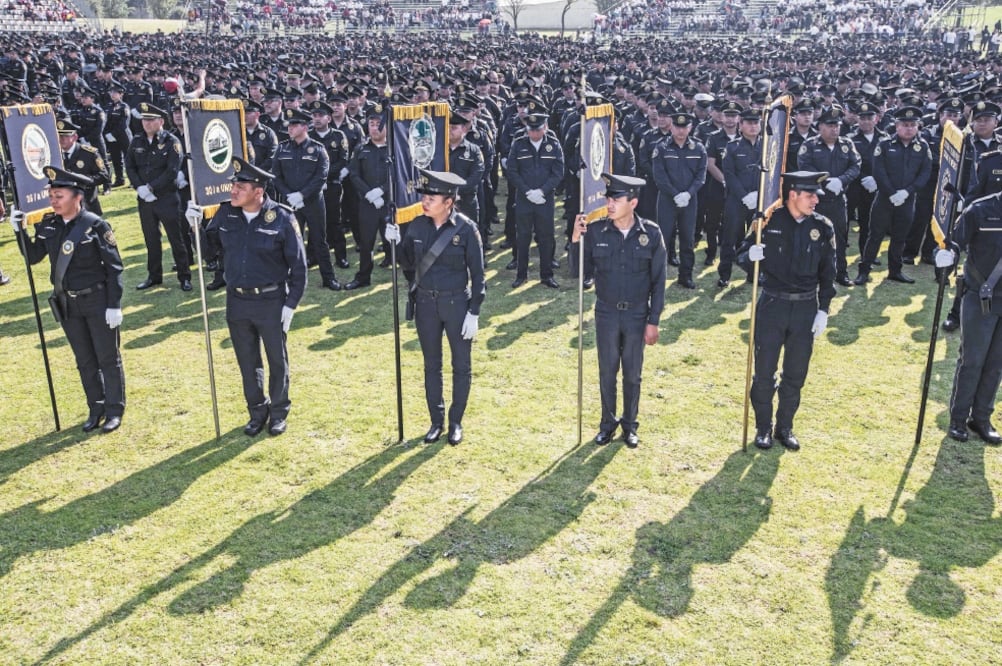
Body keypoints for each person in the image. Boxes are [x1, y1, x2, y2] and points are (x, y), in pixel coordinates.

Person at [186, 157, 307, 437]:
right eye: (234, 185)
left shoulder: (282, 217)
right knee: (247, 360)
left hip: (271, 300)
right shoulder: (226, 214)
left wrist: (290, 305)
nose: (233, 190)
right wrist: (195, 229)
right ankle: (257, 412)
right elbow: (209, 253)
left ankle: (278, 412)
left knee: (277, 360)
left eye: (241, 187)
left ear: (258, 191)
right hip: (237, 300)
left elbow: (299, 267)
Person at [11, 167, 125, 433]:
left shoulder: (96, 225)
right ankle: (95, 408)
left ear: (78, 197)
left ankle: (114, 410)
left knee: (107, 358)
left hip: (97, 300)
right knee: (84, 359)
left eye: (59, 195)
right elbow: (33, 256)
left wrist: (114, 305)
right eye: (51, 195)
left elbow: (114, 268)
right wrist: (20, 231)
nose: (53, 201)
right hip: (69, 304)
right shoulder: (48, 224)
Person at [739, 171, 836, 451]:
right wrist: (750, 258)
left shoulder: (823, 226)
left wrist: (824, 309)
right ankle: (763, 428)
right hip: (773, 305)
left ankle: (785, 427)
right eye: (810, 195)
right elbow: (741, 254)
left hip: (805, 307)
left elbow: (829, 272)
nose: (816, 201)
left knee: (795, 373)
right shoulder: (767, 220)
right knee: (764, 372)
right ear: (792, 195)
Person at [571, 173, 667, 448]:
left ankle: (630, 425)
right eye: (608, 199)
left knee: (632, 374)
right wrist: (576, 240)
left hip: (637, 315)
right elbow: (579, 271)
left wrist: (653, 320)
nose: (609, 204)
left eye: (616, 200)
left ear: (633, 203)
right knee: (607, 371)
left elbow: (659, 281)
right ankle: (607, 423)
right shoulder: (596, 231)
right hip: (607, 313)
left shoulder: (651, 234)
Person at [391, 169, 485, 446]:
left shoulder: (466, 229)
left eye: (431, 198)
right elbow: (408, 264)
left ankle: (456, 422)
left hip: (456, 304)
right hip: (426, 305)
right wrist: (393, 242)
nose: (425, 201)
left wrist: (474, 311)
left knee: (461, 366)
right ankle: (436, 421)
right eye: (425, 197)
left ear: (449, 202)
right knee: (431, 365)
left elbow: (478, 274)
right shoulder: (417, 226)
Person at [936, 193, 1002, 445]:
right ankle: (959, 418)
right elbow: (953, 243)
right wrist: (945, 256)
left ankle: (981, 418)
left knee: (996, 363)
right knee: (972, 360)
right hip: (981, 296)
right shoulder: (980, 209)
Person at [854, 106, 933, 285]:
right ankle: (864, 271)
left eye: (913, 125)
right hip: (884, 199)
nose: (909, 128)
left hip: (907, 199)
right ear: (897, 126)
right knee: (875, 235)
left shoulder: (923, 147)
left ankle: (895, 271)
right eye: (905, 125)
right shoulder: (885, 144)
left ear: (918, 126)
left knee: (900, 237)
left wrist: (907, 191)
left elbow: (925, 173)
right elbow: (879, 171)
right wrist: (891, 193)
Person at [125, 102, 192, 292]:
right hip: (145, 199)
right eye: (144, 120)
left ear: (161, 121)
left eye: (151, 120)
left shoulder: (171, 141)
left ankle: (184, 276)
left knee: (176, 239)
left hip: (166, 197)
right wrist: (139, 187)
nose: (146, 123)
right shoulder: (137, 141)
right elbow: (129, 166)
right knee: (151, 239)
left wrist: (151, 188)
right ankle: (154, 276)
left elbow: (172, 171)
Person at [272, 108, 341, 291]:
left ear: (304, 127)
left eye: (294, 125)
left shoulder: (318, 149)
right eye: (289, 125)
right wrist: (289, 195)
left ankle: (329, 278)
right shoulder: (282, 148)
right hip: (289, 203)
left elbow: (321, 177)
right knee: (290, 241)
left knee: (319, 241)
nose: (290, 128)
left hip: (312, 202)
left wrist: (302, 195)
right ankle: (289, 280)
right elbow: (276, 176)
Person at [797, 106, 862, 286]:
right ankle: (811, 274)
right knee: (813, 236)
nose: (834, 129)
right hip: (815, 200)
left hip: (838, 200)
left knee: (839, 238)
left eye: (837, 125)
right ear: (820, 127)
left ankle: (840, 272)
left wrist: (841, 180)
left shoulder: (846, 144)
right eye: (830, 126)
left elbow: (856, 165)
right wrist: (825, 181)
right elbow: (805, 166)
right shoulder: (810, 145)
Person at [506, 111, 564, 289]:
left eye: (537, 130)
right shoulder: (518, 144)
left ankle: (547, 275)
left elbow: (558, 172)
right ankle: (521, 275)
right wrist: (526, 191)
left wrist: (542, 191)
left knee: (546, 237)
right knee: (523, 237)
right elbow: (512, 170)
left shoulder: (553, 145)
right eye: (531, 130)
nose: (534, 133)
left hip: (545, 199)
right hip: (524, 198)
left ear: (544, 128)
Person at [652, 112, 706, 289]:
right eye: (677, 127)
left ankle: (686, 276)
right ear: (671, 127)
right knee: (663, 238)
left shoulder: (699, 148)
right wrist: (675, 194)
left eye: (684, 127)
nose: (681, 131)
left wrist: (688, 194)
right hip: (667, 199)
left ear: (690, 128)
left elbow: (701, 176)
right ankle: (657, 277)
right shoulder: (661, 147)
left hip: (689, 200)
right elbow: (659, 176)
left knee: (687, 239)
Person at [345, 102, 391, 290]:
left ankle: (408, 275)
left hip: (389, 203)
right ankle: (363, 277)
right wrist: (369, 194)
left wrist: (382, 190)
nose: (374, 128)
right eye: (371, 124)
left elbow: (399, 174)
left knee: (394, 241)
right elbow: (354, 174)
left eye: (378, 124)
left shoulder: (395, 148)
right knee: (366, 243)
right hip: (368, 204)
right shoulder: (361, 148)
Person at [57, 118, 111, 215]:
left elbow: (104, 175)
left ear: (75, 137)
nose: (61, 139)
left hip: (87, 203)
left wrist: (83, 181)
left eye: (65, 136)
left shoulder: (89, 153)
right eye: (59, 136)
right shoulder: (55, 155)